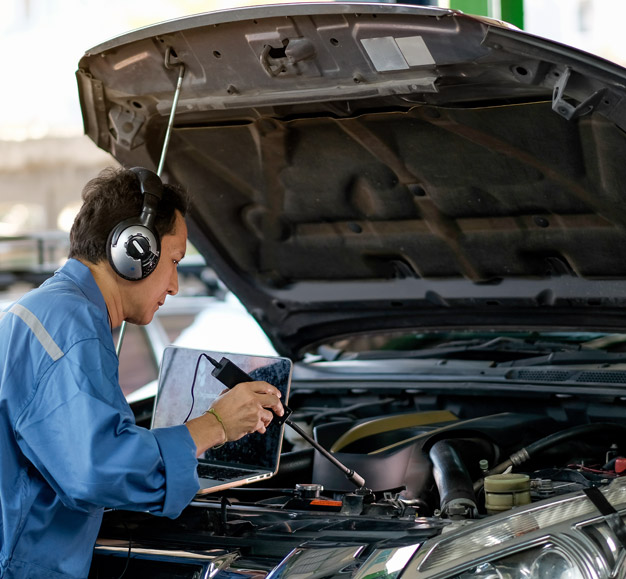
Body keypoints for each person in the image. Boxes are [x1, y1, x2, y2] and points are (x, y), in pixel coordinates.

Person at [0, 167, 284, 578]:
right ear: (134, 251)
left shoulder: (48, 310)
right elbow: (98, 470)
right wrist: (215, 425)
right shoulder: (72, 327)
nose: (174, 285)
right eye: (174, 261)